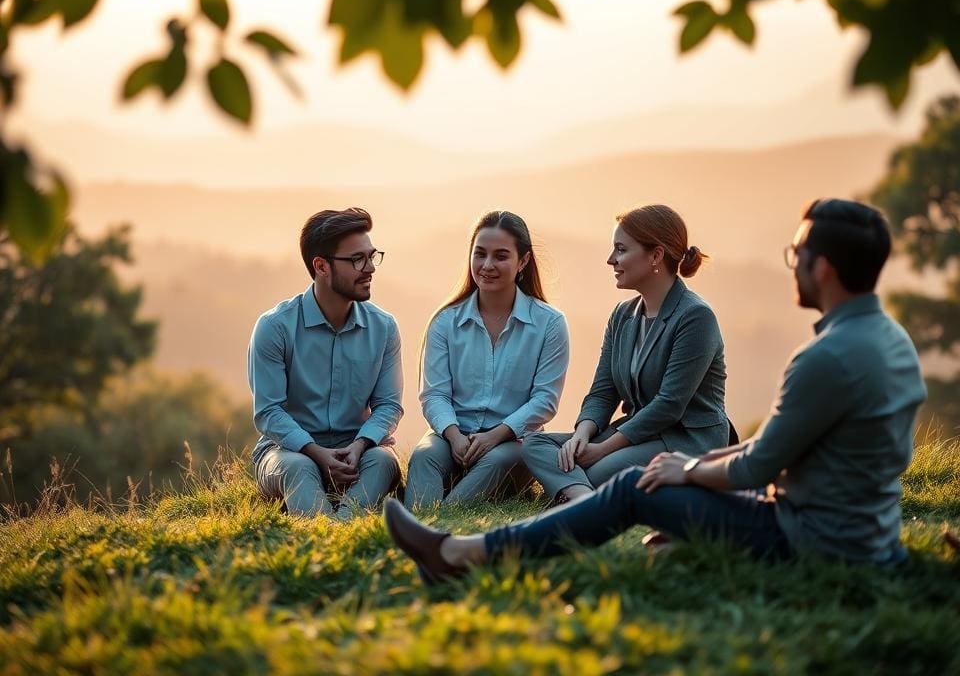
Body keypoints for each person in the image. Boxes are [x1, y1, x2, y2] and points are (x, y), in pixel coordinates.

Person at [384, 198, 927, 583]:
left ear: (823, 269)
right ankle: (576, 512)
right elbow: (784, 455)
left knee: (633, 489)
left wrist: (685, 472)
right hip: (865, 535)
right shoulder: (891, 341)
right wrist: (599, 438)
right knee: (562, 454)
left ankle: (461, 554)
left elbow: (756, 464)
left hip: (813, 538)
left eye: (796, 256)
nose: (792, 267)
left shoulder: (822, 358)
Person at [522, 204, 734, 505]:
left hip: (685, 440)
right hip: (635, 434)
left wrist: (602, 449)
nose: (611, 259)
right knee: (534, 445)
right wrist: (582, 435)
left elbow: (669, 405)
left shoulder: (695, 317)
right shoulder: (622, 316)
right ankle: (583, 497)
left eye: (621, 250)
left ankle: (577, 495)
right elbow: (603, 391)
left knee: (597, 470)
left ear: (656, 256)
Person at [404, 210, 570, 509]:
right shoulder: (445, 321)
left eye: (501, 256)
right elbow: (434, 395)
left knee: (498, 461)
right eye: (480, 254)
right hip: (452, 435)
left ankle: (442, 520)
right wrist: (454, 437)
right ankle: (420, 518)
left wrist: (495, 436)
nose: (487, 265)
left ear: (523, 261)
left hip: (513, 442)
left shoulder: (549, 323)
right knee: (424, 456)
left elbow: (545, 400)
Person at [248, 207, 403, 519]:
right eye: (357, 259)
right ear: (321, 266)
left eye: (372, 256)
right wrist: (316, 453)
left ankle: (339, 529)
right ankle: (329, 532)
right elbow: (268, 412)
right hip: (288, 453)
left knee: (384, 462)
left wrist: (360, 446)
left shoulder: (384, 327)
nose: (370, 268)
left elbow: (389, 405)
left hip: (357, 452)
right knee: (299, 468)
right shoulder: (275, 327)